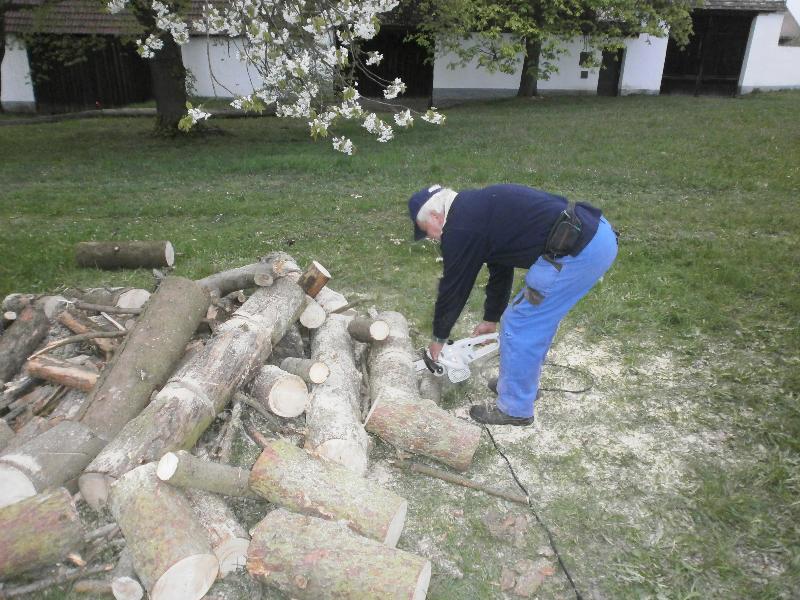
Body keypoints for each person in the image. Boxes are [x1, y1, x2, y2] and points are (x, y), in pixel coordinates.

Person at [409, 184, 617, 426]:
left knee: (522, 323)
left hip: (579, 249)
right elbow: (501, 265)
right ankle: (519, 386)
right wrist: (491, 318)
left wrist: (439, 338)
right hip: (593, 235)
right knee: (534, 319)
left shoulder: (460, 227)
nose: (431, 238)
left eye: (427, 231)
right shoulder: (475, 209)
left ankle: (516, 407)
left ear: (436, 216)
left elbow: (454, 287)